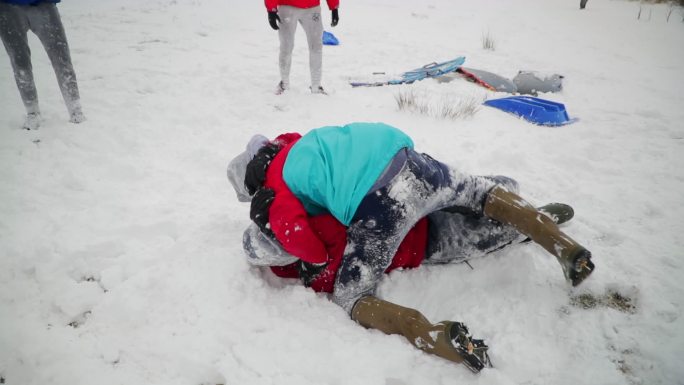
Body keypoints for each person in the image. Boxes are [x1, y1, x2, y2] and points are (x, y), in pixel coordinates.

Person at [227, 123, 595, 372]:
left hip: (385, 207)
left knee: (351, 297)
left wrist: (271, 217)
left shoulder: (280, 203)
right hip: (403, 156)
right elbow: (287, 137)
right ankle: (550, 233)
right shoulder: (290, 146)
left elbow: (307, 246)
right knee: (480, 193)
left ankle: (427, 331)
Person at [0, 0, 85, 130]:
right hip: (7, 6)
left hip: (43, 4)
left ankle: (76, 110)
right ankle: (32, 112)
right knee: (19, 63)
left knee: (61, 58)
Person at [264, 0, 339, 95]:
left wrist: (334, 7)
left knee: (316, 46)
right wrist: (271, 9)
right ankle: (284, 84)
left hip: (312, 8)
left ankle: (316, 86)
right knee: (286, 46)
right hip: (287, 7)